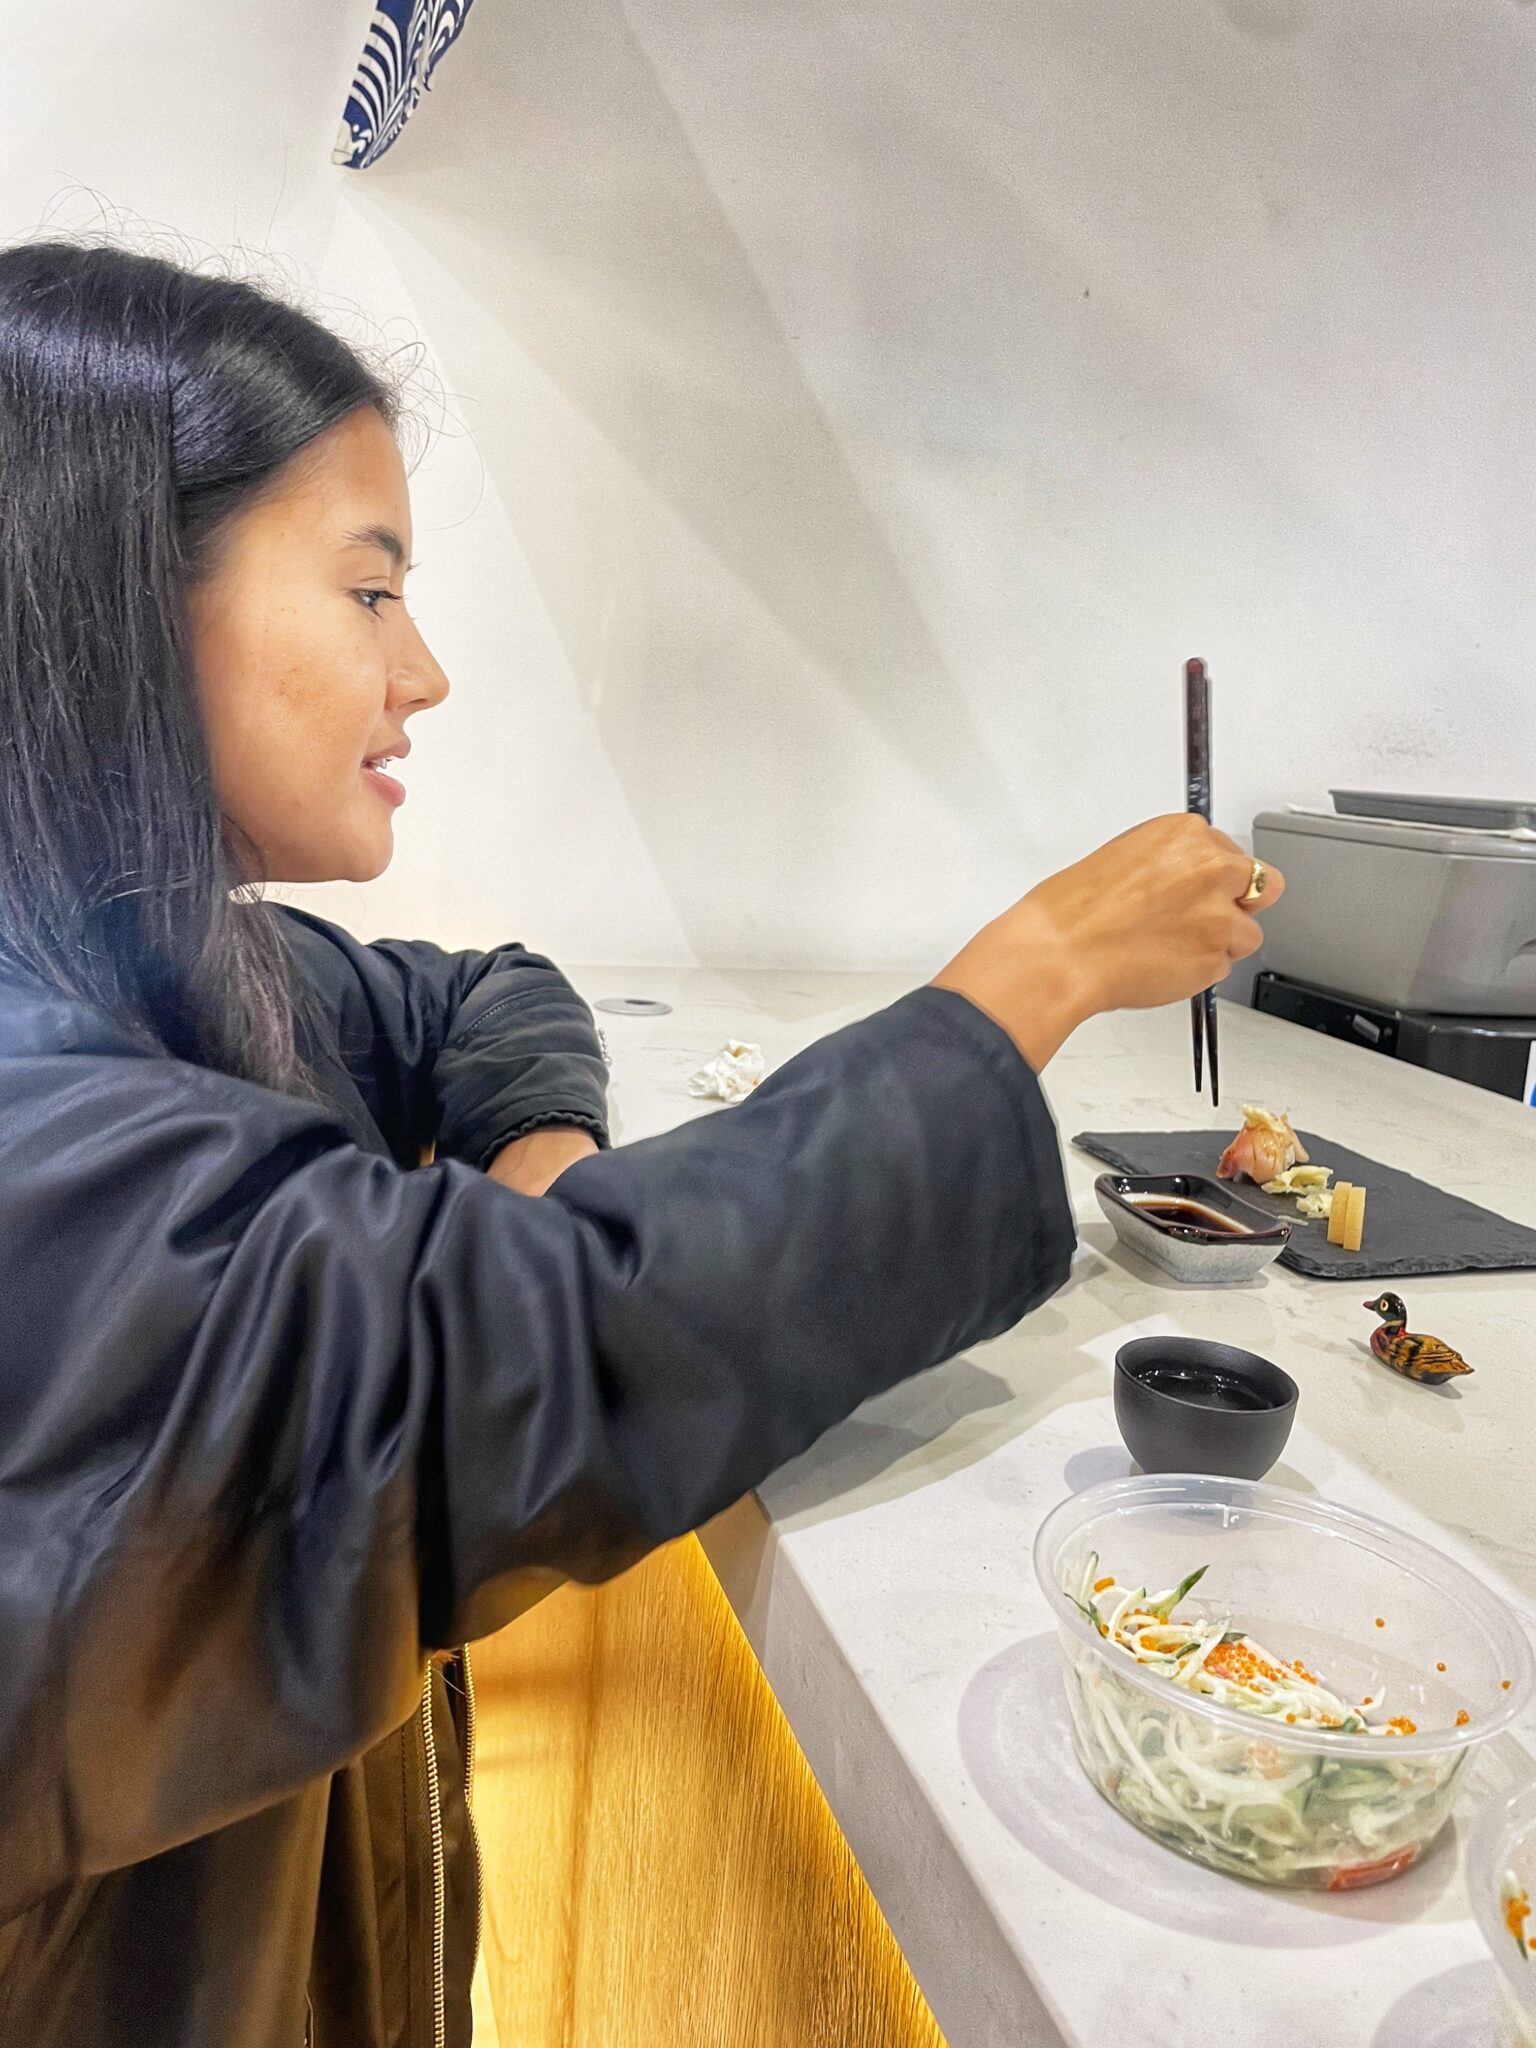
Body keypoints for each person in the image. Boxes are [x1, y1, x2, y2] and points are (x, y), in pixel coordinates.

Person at [0, 241, 1283, 2048]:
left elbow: (478, 998)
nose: (425, 671)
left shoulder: (174, 955)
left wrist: (542, 1150)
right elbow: (492, 1378)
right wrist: (1041, 971)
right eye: (369, 591)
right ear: (118, 605)